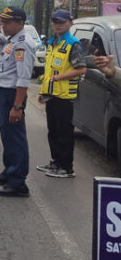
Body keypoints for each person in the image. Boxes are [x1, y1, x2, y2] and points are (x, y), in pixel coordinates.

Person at [0, 7, 36, 197]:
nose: (3, 25)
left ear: (20, 23)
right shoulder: (12, 40)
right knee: (7, 136)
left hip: (11, 95)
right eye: (2, 22)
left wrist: (17, 106)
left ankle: (18, 182)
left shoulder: (23, 44)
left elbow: (23, 79)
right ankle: (9, 172)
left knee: (15, 138)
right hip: (3, 93)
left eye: (7, 22)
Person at [36, 10, 86, 179]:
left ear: (70, 23)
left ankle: (66, 167)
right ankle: (56, 162)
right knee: (53, 131)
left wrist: (58, 78)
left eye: (62, 22)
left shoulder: (74, 44)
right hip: (52, 94)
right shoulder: (53, 43)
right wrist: (43, 91)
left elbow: (81, 69)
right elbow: (48, 70)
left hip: (65, 96)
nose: (58, 24)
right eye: (55, 21)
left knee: (64, 132)